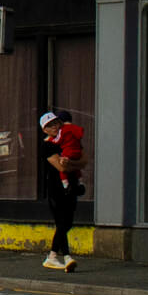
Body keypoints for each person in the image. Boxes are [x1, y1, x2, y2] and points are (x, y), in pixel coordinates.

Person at [37, 110, 85, 272]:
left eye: (57, 123)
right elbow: (60, 166)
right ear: (45, 130)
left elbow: (84, 161)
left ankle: (51, 257)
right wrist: (72, 164)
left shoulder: (68, 139)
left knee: (68, 222)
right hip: (56, 189)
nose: (55, 127)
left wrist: (71, 163)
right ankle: (67, 257)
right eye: (50, 126)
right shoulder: (47, 145)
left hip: (71, 186)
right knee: (62, 222)